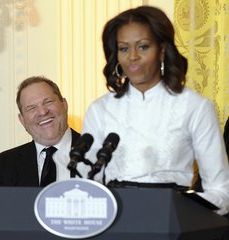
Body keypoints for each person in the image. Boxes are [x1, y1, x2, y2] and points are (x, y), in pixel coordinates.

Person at [82, 5, 229, 217]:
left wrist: (182, 209)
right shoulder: (100, 109)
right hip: (115, 222)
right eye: (124, 48)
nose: (132, 56)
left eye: (142, 47)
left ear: (161, 50)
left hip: (174, 221)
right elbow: (88, 184)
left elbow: (221, 192)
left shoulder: (195, 106)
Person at [0, 76, 80, 202]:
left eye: (48, 102)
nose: (42, 112)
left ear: (64, 105)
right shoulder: (3, 165)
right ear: (22, 120)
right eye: (31, 108)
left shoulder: (102, 154)